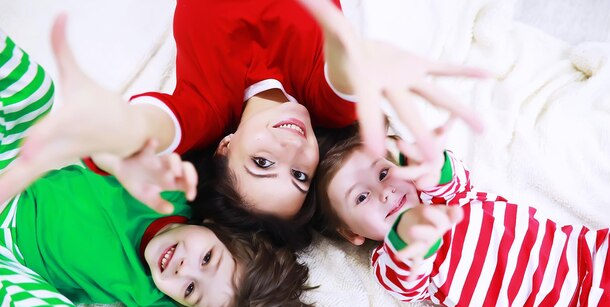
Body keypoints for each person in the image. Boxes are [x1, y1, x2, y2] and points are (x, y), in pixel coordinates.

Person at [0, 29, 334, 307]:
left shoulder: (157, 302)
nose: (182, 269)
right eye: (208, 258)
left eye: (191, 289)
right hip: (16, 176)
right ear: (214, 226)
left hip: (11, 266)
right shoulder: (175, 186)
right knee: (37, 94)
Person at [0, 0, 487, 245]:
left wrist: (109, 138)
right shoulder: (328, 105)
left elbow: (151, 129)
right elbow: (347, 73)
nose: (292, 152)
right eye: (299, 175)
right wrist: (364, 62)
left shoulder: (206, 104)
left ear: (225, 145)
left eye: (261, 163)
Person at [313, 124, 610, 307]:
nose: (384, 192)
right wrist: (409, 234)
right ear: (353, 234)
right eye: (362, 197)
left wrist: (420, 160)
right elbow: (404, 275)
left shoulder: (453, 197)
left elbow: (446, 173)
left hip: (594, 254)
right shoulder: (391, 263)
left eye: (383, 173)